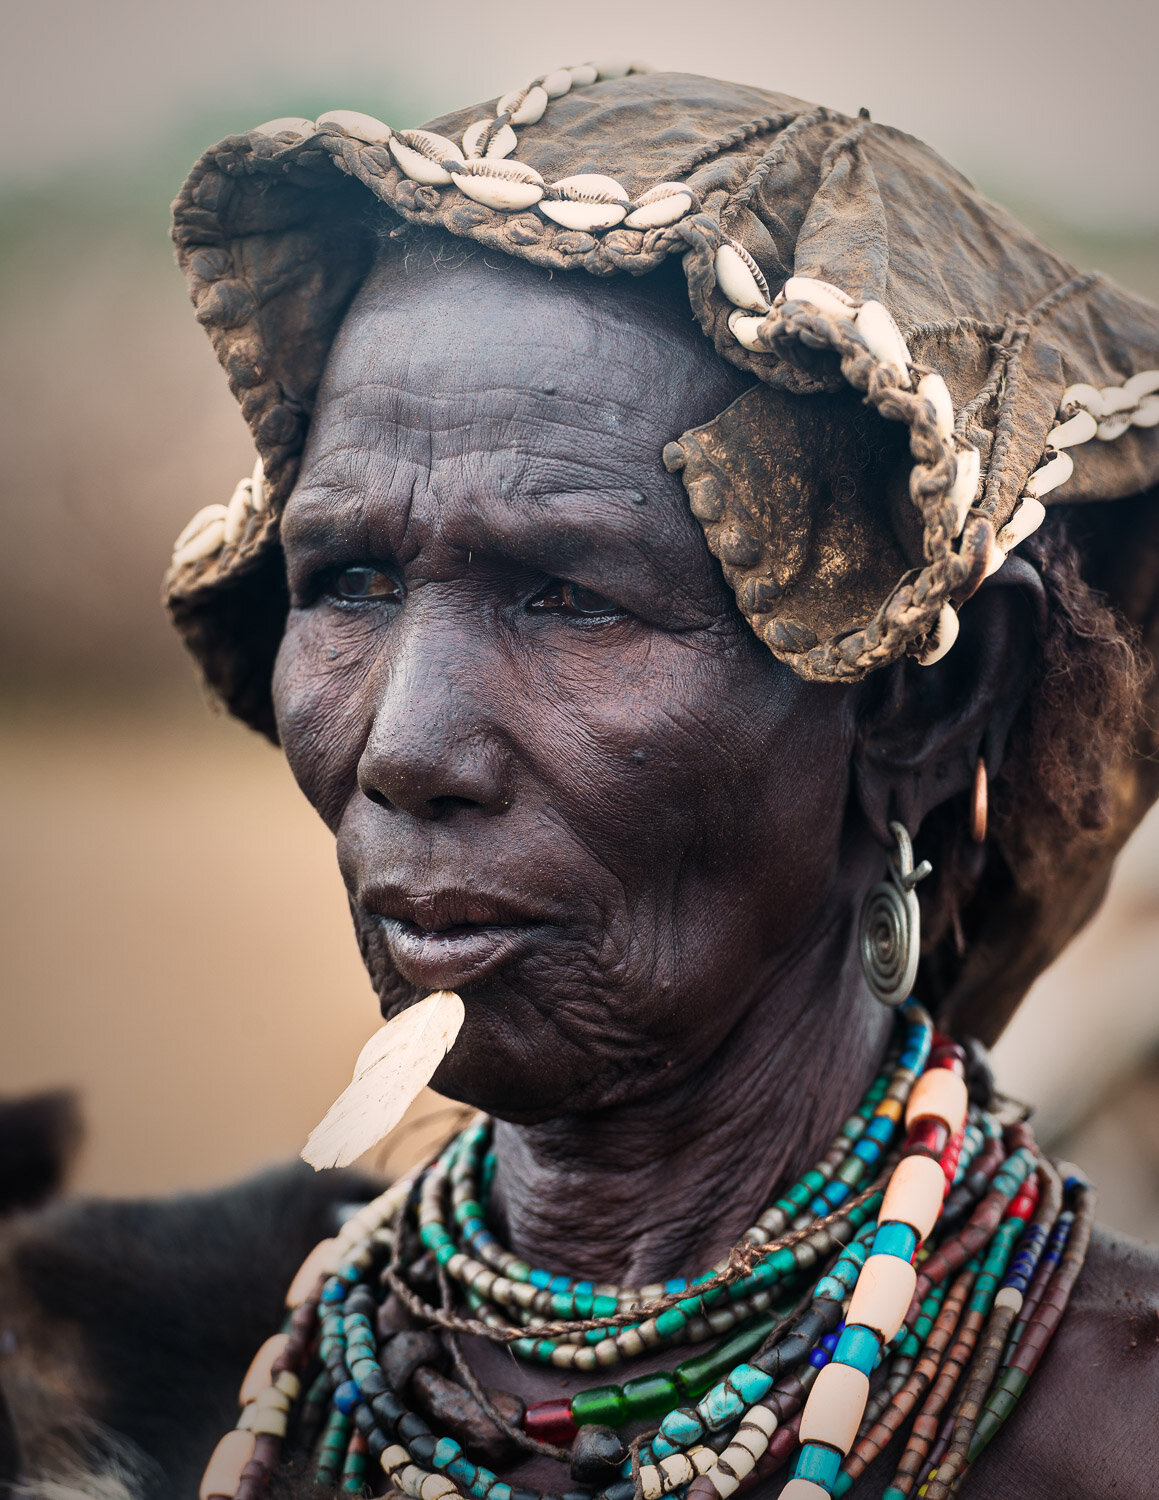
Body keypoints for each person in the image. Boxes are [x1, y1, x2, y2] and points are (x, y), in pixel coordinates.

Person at [3, 65, 1158, 1500]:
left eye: (565, 597)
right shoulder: (104, 1359)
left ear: (926, 697)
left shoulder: (1117, 1432)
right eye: (349, 580)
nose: (404, 746)